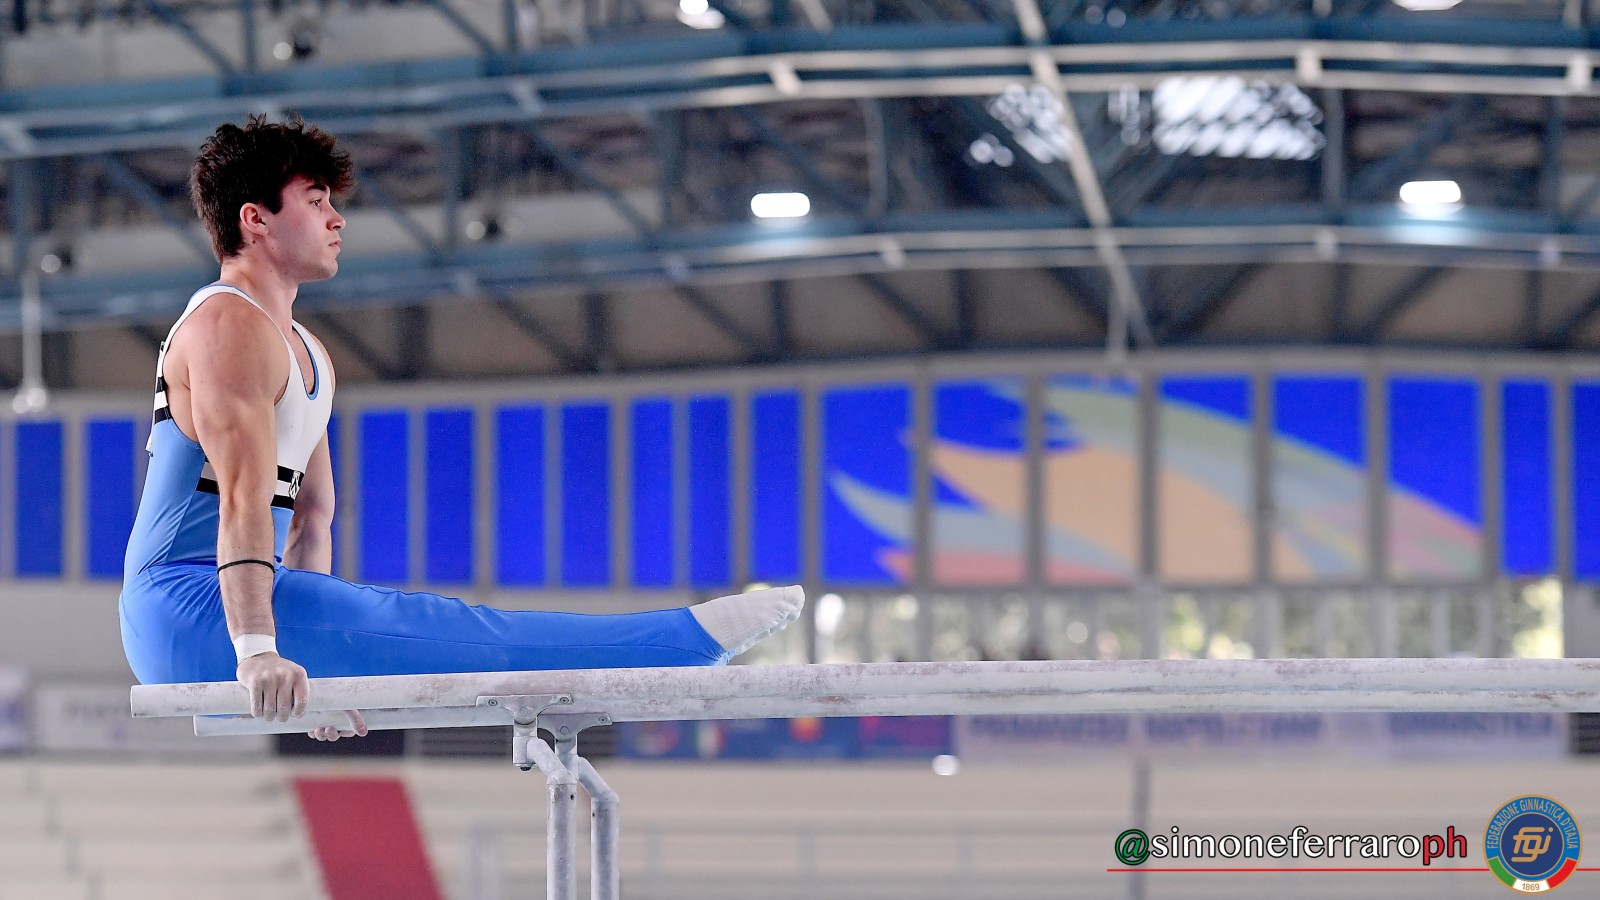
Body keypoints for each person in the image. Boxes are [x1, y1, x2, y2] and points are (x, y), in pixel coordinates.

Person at [119, 116, 803, 741]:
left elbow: (312, 518)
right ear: (256, 219)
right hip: (184, 604)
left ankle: (669, 645)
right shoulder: (226, 324)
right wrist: (258, 651)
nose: (337, 218)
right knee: (447, 631)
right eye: (316, 199)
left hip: (247, 599)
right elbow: (242, 501)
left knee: (420, 622)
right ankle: (675, 645)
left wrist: (316, 672)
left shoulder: (309, 351)